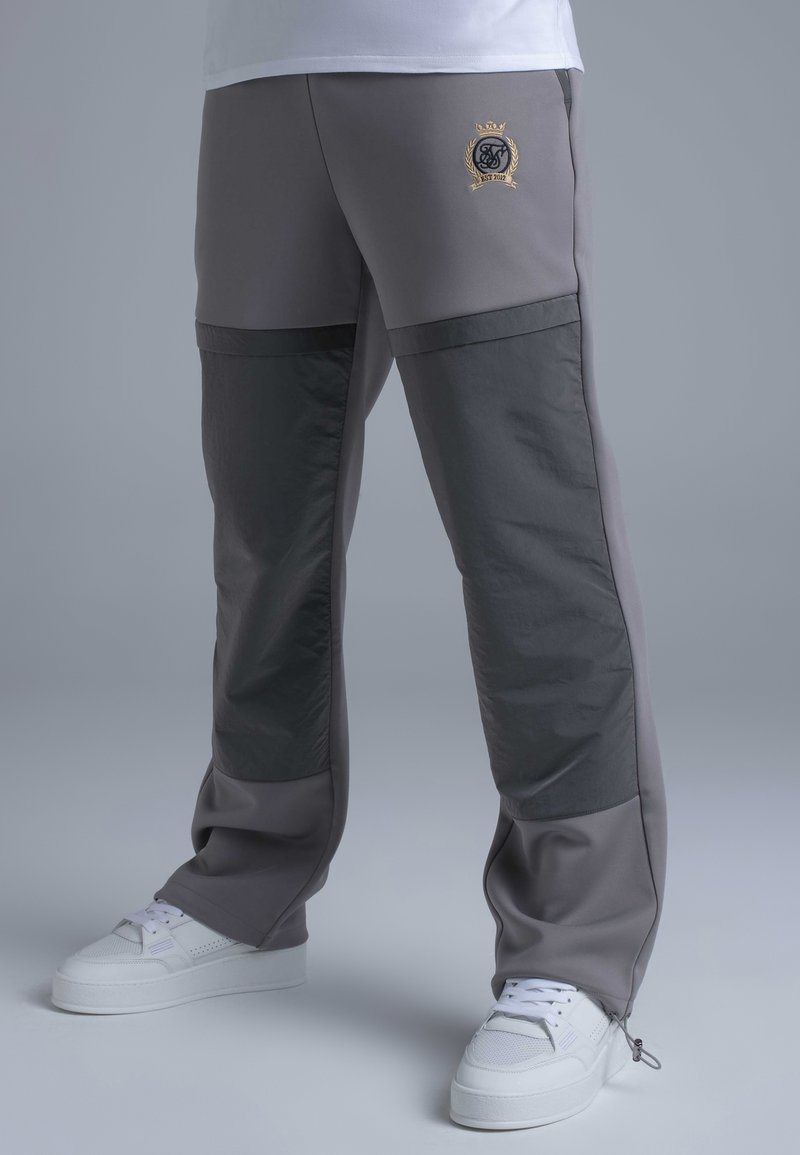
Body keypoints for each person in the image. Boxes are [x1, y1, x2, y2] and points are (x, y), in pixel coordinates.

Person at [51, 0, 668, 1130]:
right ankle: (249, 879)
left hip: (456, 53)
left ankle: (577, 952)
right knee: (263, 522)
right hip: (258, 67)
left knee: (528, 524)